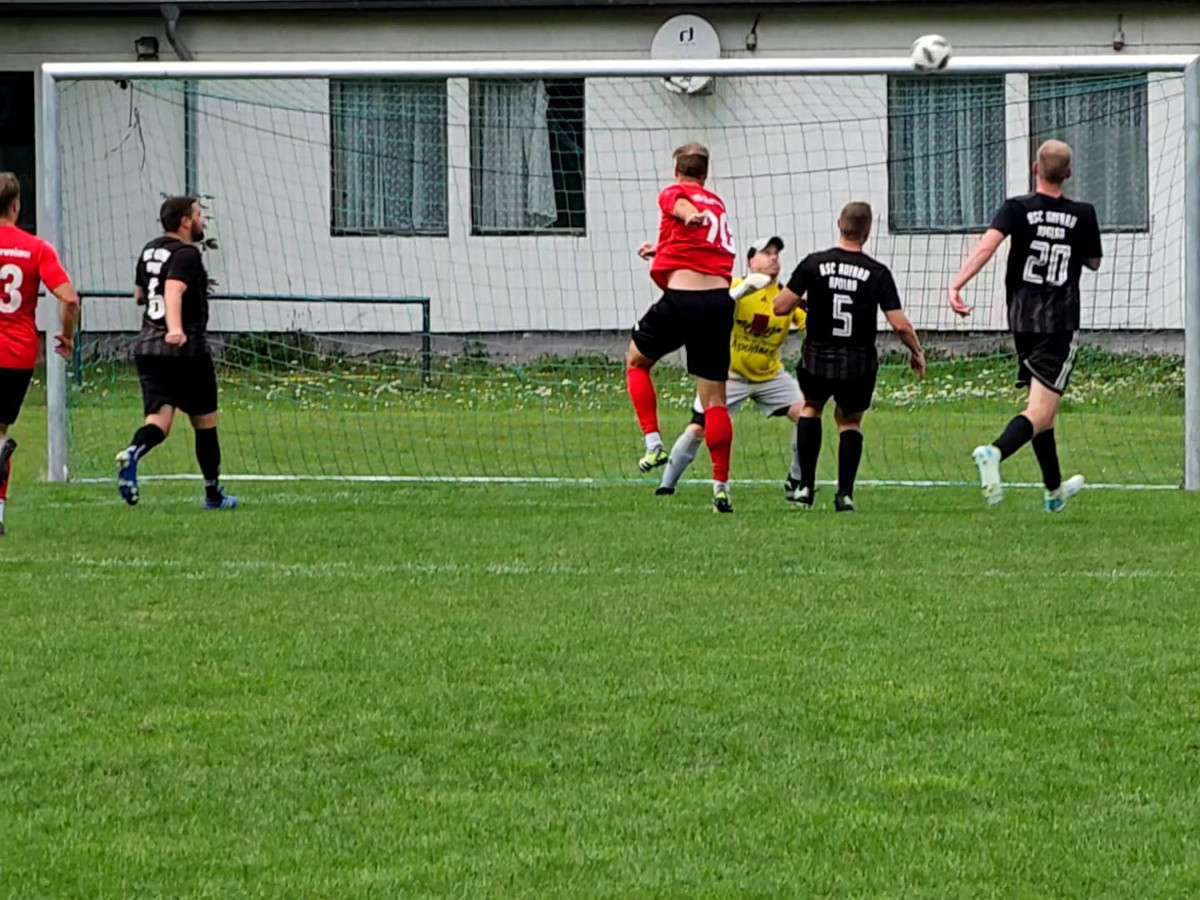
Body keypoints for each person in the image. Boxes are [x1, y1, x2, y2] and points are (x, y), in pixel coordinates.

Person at [949, 139, 1101, 511]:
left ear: (1036, 168)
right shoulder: (1083, 213)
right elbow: (1094, 262)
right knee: (1041, 412)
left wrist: (957, 284)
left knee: (1042, 409)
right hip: (1059, 322)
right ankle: (994, 451)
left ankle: (1053, 491)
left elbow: (987, 246)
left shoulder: (1017, 207)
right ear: (1068, 173)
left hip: (1022, 317)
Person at [773, 202, 925, 512]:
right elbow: (899, 324)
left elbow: (779, 306)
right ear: (867, 232)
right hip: (858, 362)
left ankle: (804, 487)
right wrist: (917, 351)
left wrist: (805, 300)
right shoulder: (877, 273)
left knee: (811, 409)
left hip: (817, 356)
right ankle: (844, 494)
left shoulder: (813, 264)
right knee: (850, 422)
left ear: (838, 223)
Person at [627, 142, 738, 513]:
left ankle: (653, 442)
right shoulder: (718, 204)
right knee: (714, 400)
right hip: (719, 303)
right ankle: (720, 486)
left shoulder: (677, 193)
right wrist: (658, 252)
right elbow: (699, 251)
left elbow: (680, 206)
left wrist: (687, 214)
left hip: (682, 300)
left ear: (677, 170)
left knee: (636, 362)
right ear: (705, 174)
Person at [655, 236, 808, 498]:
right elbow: (711, 310)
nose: (773, 258)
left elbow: (809, 326)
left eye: (776, 253)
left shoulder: (785, 297)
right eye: (766, 252)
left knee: (807, 417)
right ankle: (665, 486)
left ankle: (795, 481)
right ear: (751, 261)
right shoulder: (736, 288)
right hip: (729, 375)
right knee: (698, 429)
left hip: (769, 376)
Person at [115, 196, 238, 510]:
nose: (203, 221)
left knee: (159, 421)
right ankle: (213, 494)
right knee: (205, 421)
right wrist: (175, 328)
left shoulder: (149, 250)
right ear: (185, 220)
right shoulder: (187, 254)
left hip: (148, 347)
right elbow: (172, 289)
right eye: (199, 215)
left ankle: (133, 452)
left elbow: (140, 295)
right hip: (185, 349)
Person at [0, 172, 80, 536]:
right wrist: (65, 335)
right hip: (17, 353)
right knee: (0, 430)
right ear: (16, 206)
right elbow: (69, 298)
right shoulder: (36, 248)